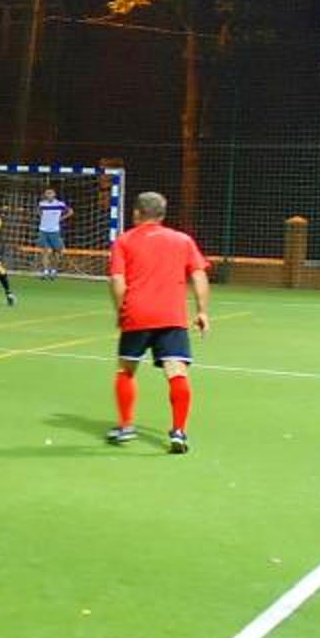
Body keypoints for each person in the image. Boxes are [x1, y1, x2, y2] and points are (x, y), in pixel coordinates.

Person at [107, 189, 210, 452]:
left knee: (126, 370)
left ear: (137, 213)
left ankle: (126, 426)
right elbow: (199, 275)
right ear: (162, 215)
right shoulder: (183, 240)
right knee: (176, 371)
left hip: (137, 313)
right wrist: (202, 311)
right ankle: (179, 432)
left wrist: (121, 310)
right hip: (172, 316)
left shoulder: (124, 241)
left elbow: (117, 279)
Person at [35, 182, 74, 279]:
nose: (49, 195)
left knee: (57, 251)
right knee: (46, 251)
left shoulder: (60, 204)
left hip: (54, 231)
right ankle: (45, 271)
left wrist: (61, 218)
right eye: (47, 193)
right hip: (43, 230)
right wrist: (42, 218)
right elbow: (38, 211)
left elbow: (70, 211)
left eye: (50, 193)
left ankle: (54, 270)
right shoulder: (42, 204)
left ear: (54, 194)